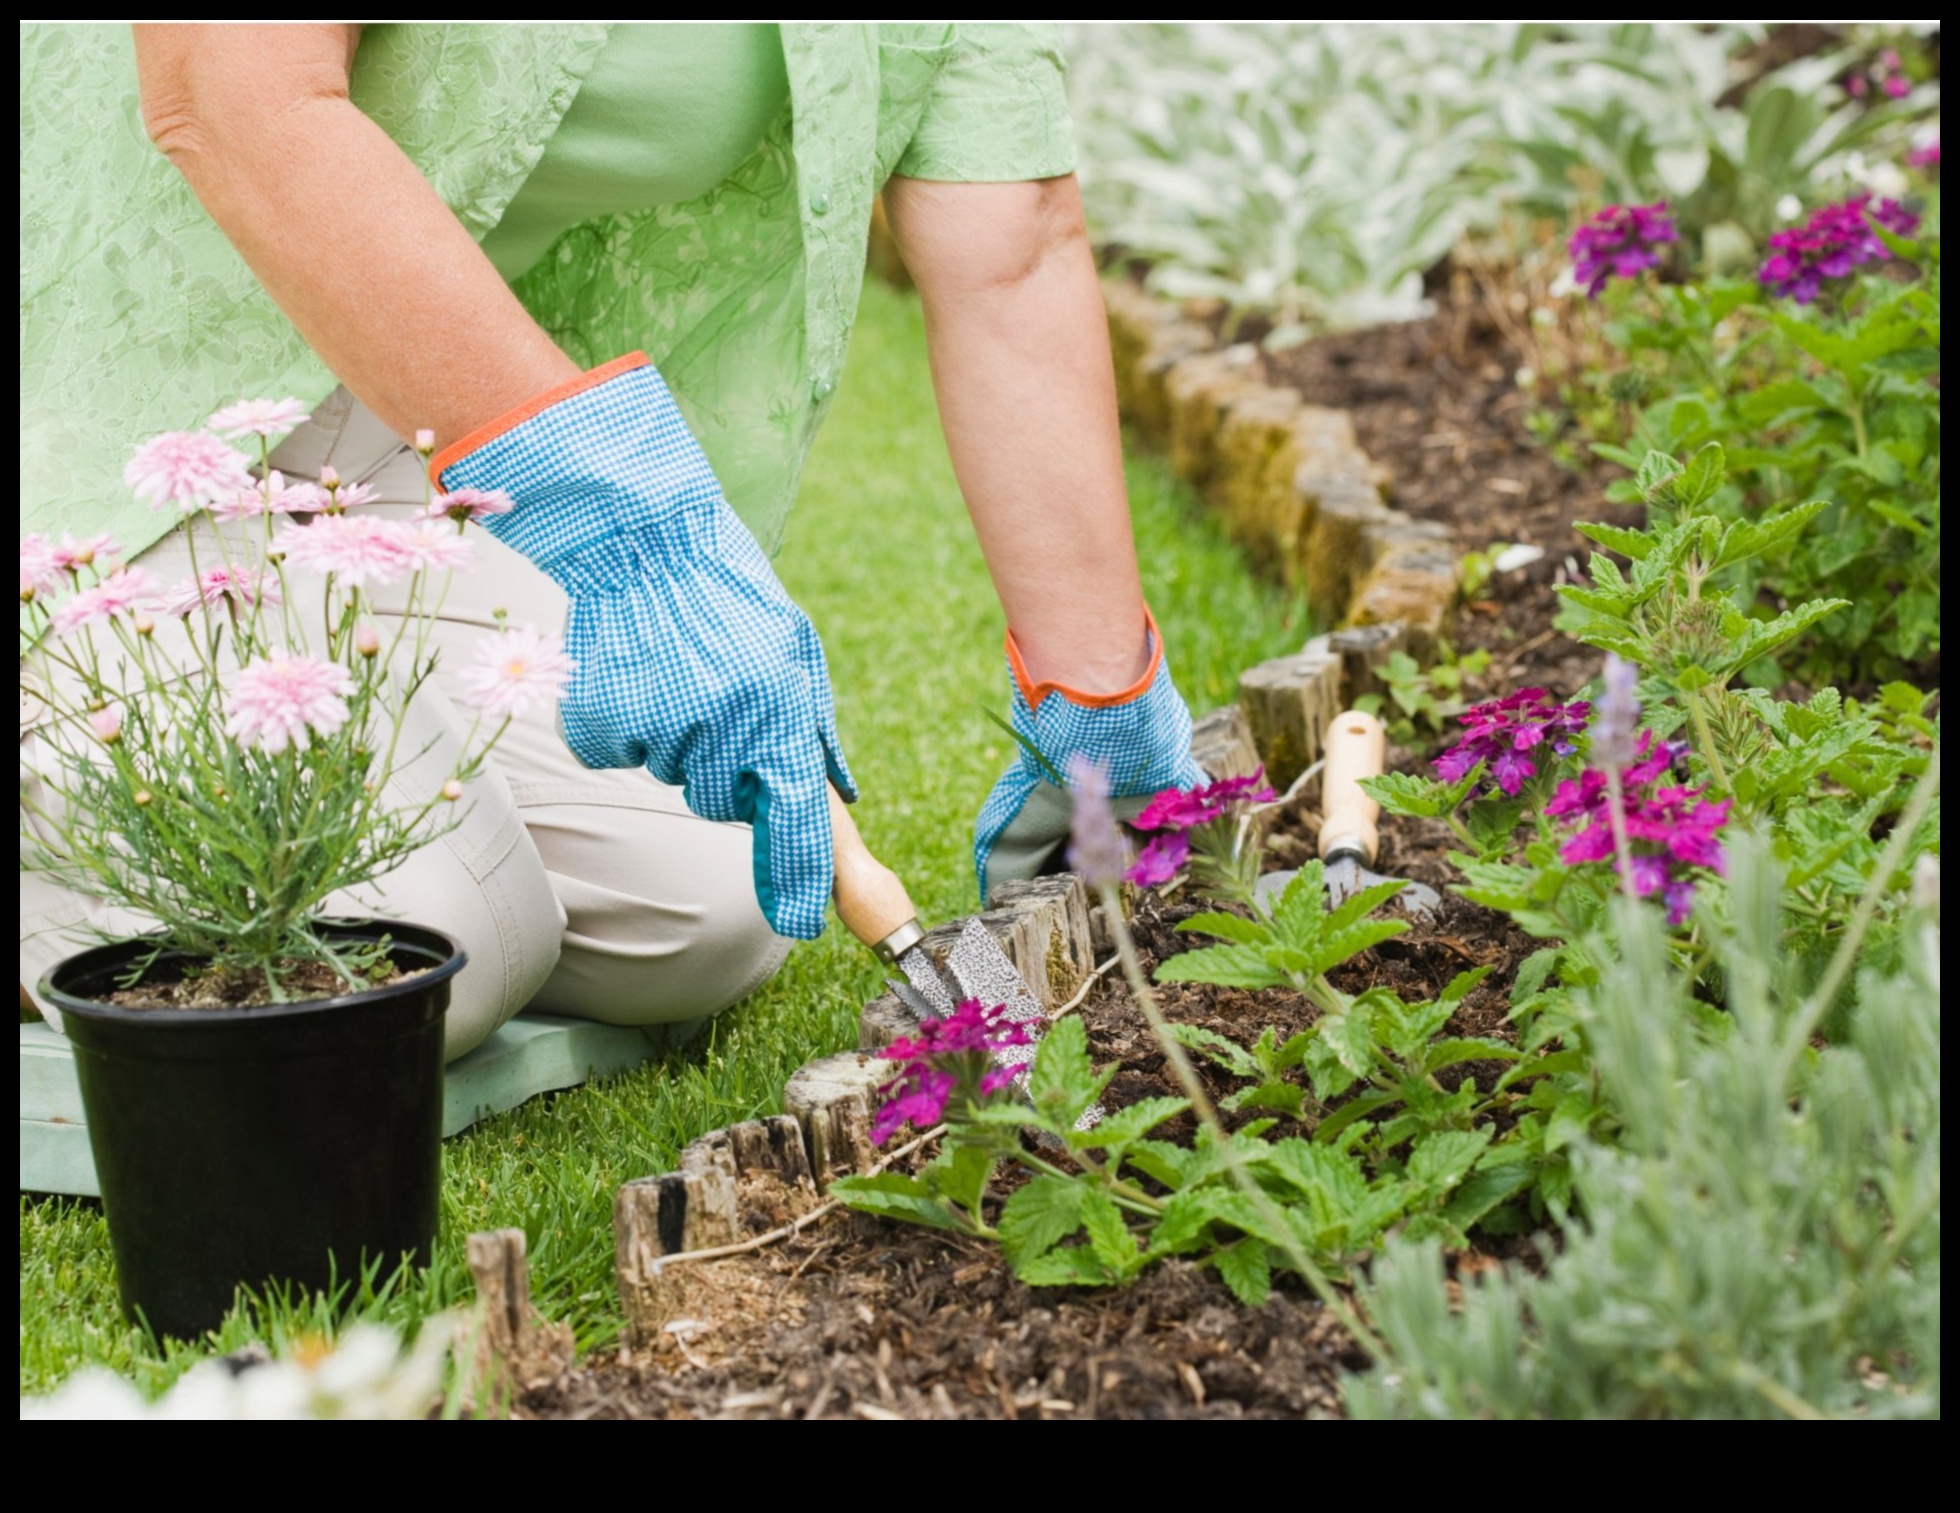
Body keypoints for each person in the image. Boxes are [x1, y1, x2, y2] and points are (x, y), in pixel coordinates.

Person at [18, 24, 1204, 1057]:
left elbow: (1016, 243)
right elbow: (226, 93)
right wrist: (621, 519)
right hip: (87, 417)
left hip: (387, 428)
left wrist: (1097, 698)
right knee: (442, 957)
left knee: (705, 916)